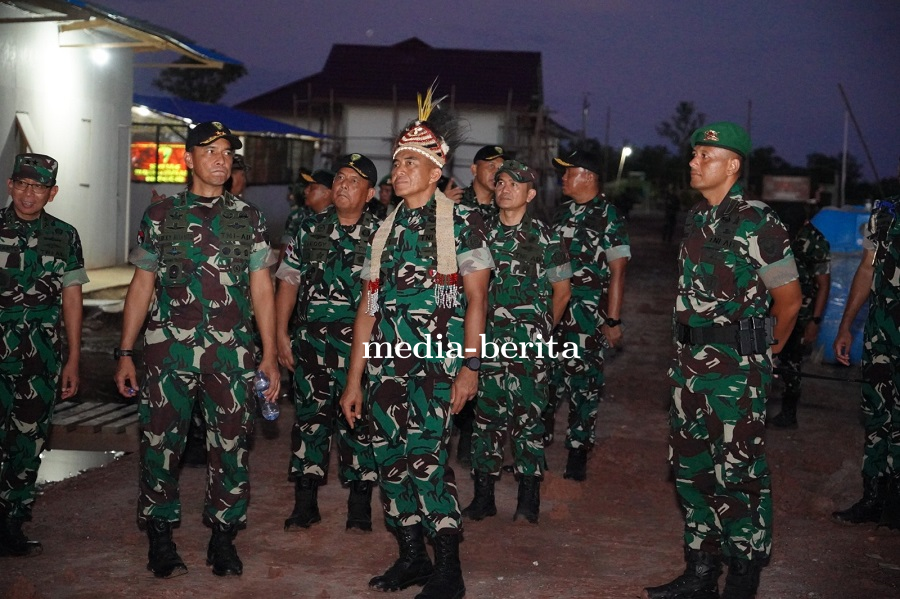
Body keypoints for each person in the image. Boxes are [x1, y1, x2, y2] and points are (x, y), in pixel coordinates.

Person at [340, 88, 492, 599]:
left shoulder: (462, 223)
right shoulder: (382, 229)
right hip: (384, 368)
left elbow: (476, 302)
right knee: (389, 459)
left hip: (436, 367)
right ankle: (412, 558)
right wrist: (354, 379)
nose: (398, 170)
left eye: (410, 162)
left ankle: (449, 568)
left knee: (426, 457)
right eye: (398, 161)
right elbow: (368, 308)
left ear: (435, 172)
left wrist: (471, 367)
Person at [114, 121, 280, 579]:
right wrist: (125, 352)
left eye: (227, 152)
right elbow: (142, 284)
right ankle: (161, 538)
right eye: (210, 152)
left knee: (231, 445)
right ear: (188, 159)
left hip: (230, 355)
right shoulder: (161, 215)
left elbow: (262, 289)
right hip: (168, 352)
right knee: (160, 443)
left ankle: (223, 538)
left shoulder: (249, 216)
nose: (221, 160)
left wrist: (268, 352)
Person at [644, 122, 801, 599]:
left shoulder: (759, 221)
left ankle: (742, 576)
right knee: (692, 470)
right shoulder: (696, 220)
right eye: (694, 154)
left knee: (738, 472)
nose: (693, 162)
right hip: (689, 365)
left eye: (704, 155)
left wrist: (763, 354)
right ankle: (700, 572)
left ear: (732, 165)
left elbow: (789, 300)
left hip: (737, 370)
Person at [275, 153, 380, 532]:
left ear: (370, 193)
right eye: (339, 178)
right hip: (311, 345)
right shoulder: (309, 229)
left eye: (354, 181)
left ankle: (360, 505)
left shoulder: (382, 235)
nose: (343, 186)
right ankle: (306, 503)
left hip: (360, 349)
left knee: (359, 422)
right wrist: (279, 334)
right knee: (308, 420)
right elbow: (288, 280)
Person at [462, 160, 571, 524]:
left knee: (529, 421)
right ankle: (483, 497)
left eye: (515, 183)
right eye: (501, 182)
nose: (505, 188)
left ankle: (528, 499)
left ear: (531, 193)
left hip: (530, 347)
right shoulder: (480, 234)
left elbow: (562, 292)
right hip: (488, 343)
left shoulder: (546, 236)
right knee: (486, 420)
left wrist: (540, 330)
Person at [0, 154, 88, 557]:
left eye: (38, 187)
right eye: (22, 184)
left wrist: (73, 357)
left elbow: (72, 297)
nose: (28, 193)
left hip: (41, 360)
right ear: (9, 185)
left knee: (28, 441)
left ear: (52, 193)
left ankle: (12, 523)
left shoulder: (65, 236)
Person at [549, 148, 630, 481]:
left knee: (583, 386)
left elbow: (618, 271)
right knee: (547, 382)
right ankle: (535, 450)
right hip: (554, 313)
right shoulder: (560, 214)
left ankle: (577, 454)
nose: (563, 178)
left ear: (588, 176)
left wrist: (612, 320)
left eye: (569, 172)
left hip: (587, 316)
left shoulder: (609, 216)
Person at [831, 187, 900, 530]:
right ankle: (874, 498)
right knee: (877, 415)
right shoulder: (885, 213)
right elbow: (865, 270)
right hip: (882, 334)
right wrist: (847, 327)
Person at [451, 145, 507, 466]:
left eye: (502, 165)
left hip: (495, 307)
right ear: (473, 170)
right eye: (490, 165)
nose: (497, 171)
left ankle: (473, 441)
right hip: (459, 306)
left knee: (485, 377)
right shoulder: (454, 205)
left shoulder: (505, 206)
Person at [769, 202, 831, 429]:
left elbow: (823, 285)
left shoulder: (816, 241)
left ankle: (789, 412)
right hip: (773, 309)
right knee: (766, 355)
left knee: (791, 362)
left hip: (801, 313)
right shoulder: (779, 234)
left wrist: (815, 321)